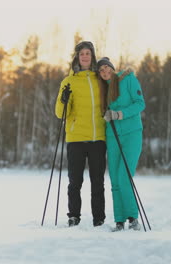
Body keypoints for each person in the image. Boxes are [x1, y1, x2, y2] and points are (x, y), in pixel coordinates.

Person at [55, 41, 106, 227]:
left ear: (92, 56)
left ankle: (99, 219)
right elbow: (60, 113)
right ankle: (73, 216)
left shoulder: (99, 79)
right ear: (77, 57)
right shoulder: (68, 81)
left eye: (88, 53)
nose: (84, 56)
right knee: (75, 181)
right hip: (76, 138)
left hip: (97, 137)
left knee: (97, 182)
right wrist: (63, 100)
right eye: (81, 53)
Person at [96, 57, 146, 231]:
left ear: (112, 67)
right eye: (101, 71)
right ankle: (119, 220)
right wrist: (105, 116)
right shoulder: (103, 89)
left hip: (132, 134)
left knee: (125, 176)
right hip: (113, 135)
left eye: (106, 68)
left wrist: (119, 114)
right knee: (115, 179)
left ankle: (133, 218)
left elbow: (140, 103)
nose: (104, 72)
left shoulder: (128, 79)